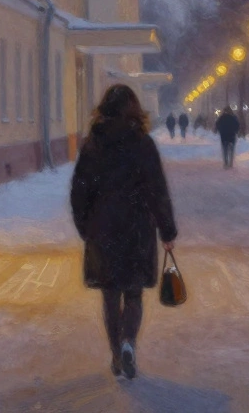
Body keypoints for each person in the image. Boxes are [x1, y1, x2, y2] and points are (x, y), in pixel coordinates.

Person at [71, 84, 178, 380]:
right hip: (137, 229)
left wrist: (86, 227)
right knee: (132, 294)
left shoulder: (94, 144)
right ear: (133, 109)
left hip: (103, 230)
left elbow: (79, 191)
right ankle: (129, 342)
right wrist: (166, 230)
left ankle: (117, 356)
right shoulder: (143, 144)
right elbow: (157, 191)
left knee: (109, 296)